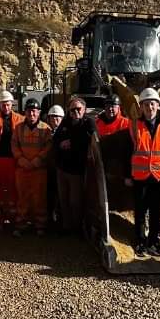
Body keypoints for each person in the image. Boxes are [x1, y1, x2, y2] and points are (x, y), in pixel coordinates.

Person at [125, 88, 160, 257]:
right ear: (141, 107)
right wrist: (127, 175)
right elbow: (126, 152)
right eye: (146, 105)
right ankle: (140, 243)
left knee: (155, 212)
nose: (150, 107)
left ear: (158, 106)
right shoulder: (133, 126)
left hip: (158, 177)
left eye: (152, 104)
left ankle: (153, 243)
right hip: (139, 177)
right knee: (140, 212)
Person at [52, 97, 96, 236]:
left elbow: (91, 139)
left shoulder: (88, 122)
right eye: (72, 109)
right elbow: (56, 139)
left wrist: (72, 143)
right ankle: (66, 227)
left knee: (75, 201)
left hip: (77, 170)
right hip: (62, 168)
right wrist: (60, 144)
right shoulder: (65, 122)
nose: (75, 112)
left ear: (84, 109)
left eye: (78, 109)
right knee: (63, 199)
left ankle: (77, 228)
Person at [11, 98, 52, 236]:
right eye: (29, 111)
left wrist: (37, 161)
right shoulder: (18, 128)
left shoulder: (46, 129)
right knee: (22, 196)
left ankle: (40, 225)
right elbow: (14, 145)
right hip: (22, 169)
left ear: (39, 112)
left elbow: (48, 147)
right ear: (25, 112)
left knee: (39, 197)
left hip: (38, 169)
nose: (32, 114)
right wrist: (21, 159)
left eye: (34, 111)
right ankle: (20, 224)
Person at [0, 90, 24, 230]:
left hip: (14, 159)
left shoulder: (20, 119)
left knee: (14, 189)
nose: (6, 107)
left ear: (12, 104)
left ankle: (14, 218)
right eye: (3, 104)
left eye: (8, 104)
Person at [46, 104, 65, 233]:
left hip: (62, 169)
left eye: (57, 117)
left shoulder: (66, 133)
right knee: (49, 196)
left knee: (61, 196)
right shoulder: (44, 132)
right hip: (48, 169)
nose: (55, 120)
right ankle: (49, 221)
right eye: (52, 117)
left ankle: (61, 222)